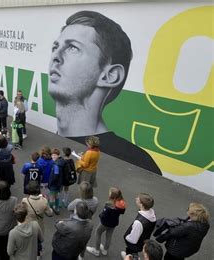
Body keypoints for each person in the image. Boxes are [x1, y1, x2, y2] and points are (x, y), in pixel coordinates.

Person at [48, 10, 160, 175]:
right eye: (55, 47)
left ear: (110, 75)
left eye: (72, 48)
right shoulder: (56, 143)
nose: (55, 56)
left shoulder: (139, 163)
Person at [86, 187, 126, 257]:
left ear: (112, 195)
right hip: (114, 223)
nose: (109, 193)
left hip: (105, 223)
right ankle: (105, 250)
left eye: (110, 192)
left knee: (98, 232)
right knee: (109, 235)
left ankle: (96, 250)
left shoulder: (109, 204)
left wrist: (100, 215)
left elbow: (104, 215)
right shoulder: (121, 204)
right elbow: (122, 212)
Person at [121, 193, 157, 259]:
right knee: (134, 251)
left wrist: (126, 236)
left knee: (130, 252)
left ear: (142, 205)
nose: (136, 199)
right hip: (142, 241)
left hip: (134, 244)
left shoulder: (139, 223)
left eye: (138, 199)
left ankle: (129, 257)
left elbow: (133, 240)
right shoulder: (152, 214)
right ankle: (134, 256)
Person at [49, 149, 63, 214]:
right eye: (52, 155)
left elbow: (55, 176)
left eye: (55, 155)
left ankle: (49, 209)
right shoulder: (60, 162)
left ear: (58, 155)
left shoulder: (56, 165)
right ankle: (57, 208)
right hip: (58, 184)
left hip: (54, 185)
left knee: (51, 197)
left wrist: (50, 183)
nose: (53, 156)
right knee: (57, 196)